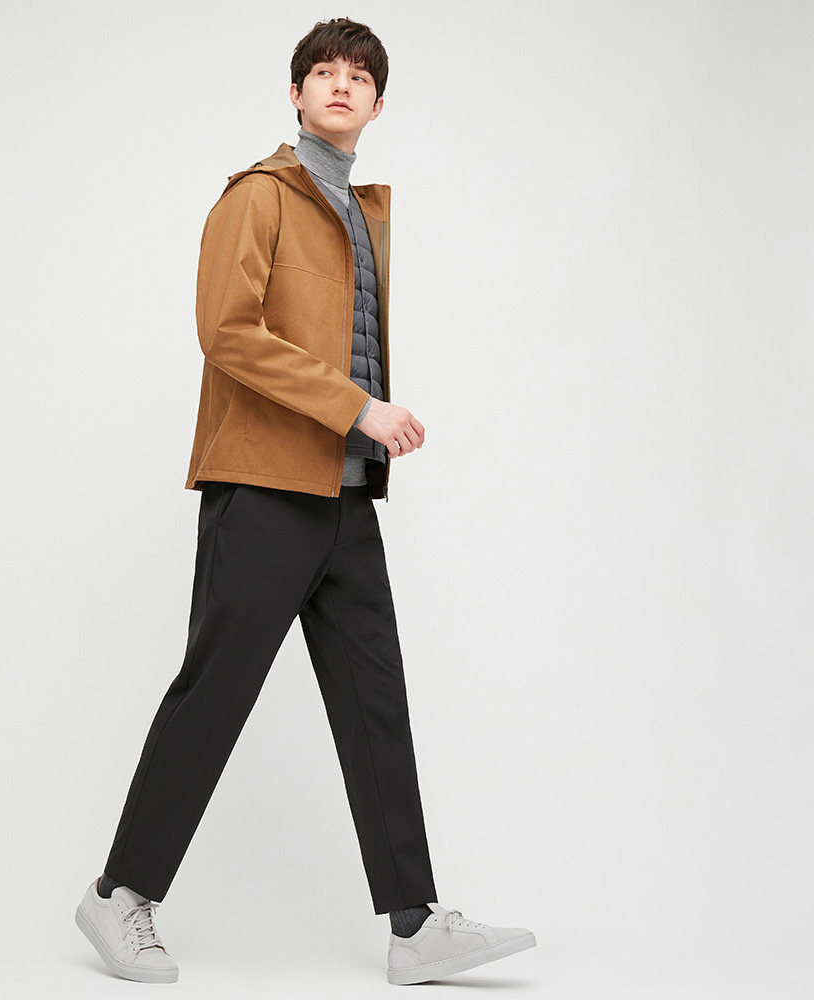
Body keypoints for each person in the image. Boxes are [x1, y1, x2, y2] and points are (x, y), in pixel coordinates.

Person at [74, 17, 536, 986]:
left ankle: (414, 925)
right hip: (263, 487)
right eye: (322, 72)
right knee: (217, 692)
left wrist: (359, 432)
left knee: (375, 702)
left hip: (346, 495)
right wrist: (358, 408)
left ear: (377, 103)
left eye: (357, 76)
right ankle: (120, 894)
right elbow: (227, 331)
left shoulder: (359, 209)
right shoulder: (259, 195)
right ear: (295, 94)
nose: (339, 85)